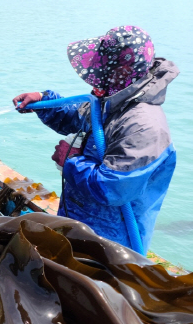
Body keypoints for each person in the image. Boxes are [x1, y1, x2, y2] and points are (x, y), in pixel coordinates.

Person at [13, 26, 179, 251]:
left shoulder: (143, 126)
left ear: (121, 71)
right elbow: (78, 115)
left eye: (103, 70)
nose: (96, 77)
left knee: (95, 283)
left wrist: (69, 161)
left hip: (113, 241)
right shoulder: (114, 99)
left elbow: (113, 188)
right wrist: (44, 100)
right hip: (80, 221)